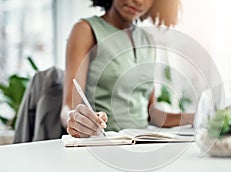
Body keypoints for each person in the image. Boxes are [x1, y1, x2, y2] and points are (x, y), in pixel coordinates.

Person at [60, 0, 194, 138]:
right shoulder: (85, 30)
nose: (138, 1)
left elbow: (151, 114)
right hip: (104, 141)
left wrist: (193, 118)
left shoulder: (148, 40)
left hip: (143, 141)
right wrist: (76, 120)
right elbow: (67, 108)